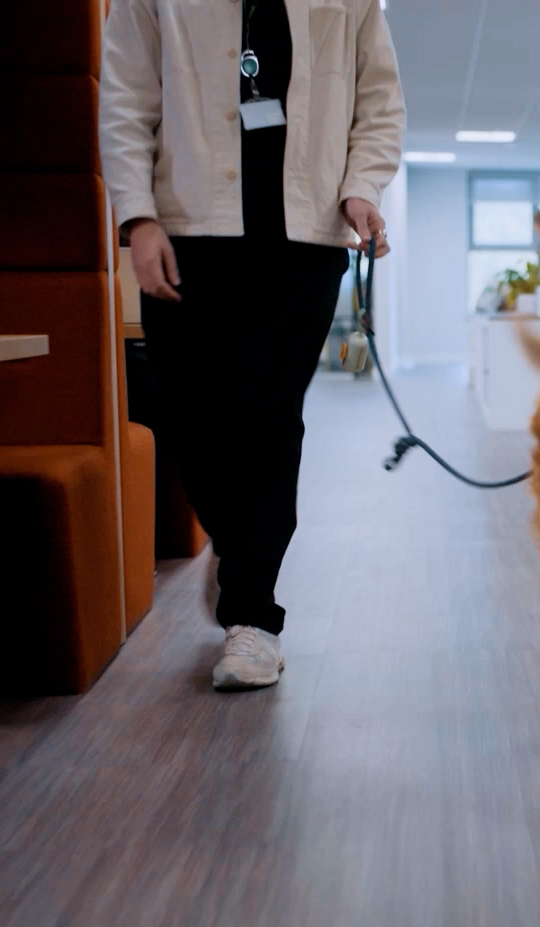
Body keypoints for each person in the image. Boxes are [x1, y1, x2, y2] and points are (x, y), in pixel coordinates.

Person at [99, 0, 404, 690]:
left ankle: (252, 618)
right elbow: (125, 94)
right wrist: (138, 216)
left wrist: (361, 189)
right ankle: (242, 554)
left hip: (302, 236)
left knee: (268, 419)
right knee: (191, 415)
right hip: (187, 229)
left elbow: (379, 97)